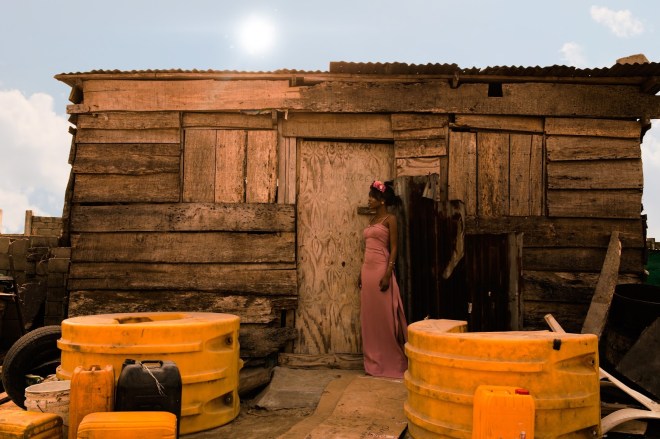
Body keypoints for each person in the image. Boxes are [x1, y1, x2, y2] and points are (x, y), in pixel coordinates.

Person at [358, 180, 408, 379]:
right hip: (367, 272)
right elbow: (367, 249)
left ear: (381, 200)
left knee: (385, 318)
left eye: (372, 197)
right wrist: (360, 273)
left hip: (381, 270)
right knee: (369, 319)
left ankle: (392, 361)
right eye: (369, 197)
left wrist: (388, 273)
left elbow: (394, 247)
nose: (369, 200)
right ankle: (373, 362)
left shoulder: (390, 219)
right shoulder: (371, 221)